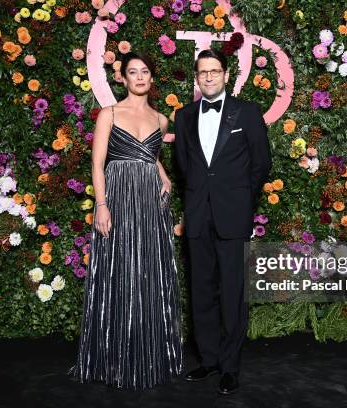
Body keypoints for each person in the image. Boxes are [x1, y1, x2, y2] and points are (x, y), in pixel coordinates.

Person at [67, 52, 183, 390]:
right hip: (117, 198)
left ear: (151, 77)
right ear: (123, 78)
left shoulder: (162, 120)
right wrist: (101, 204)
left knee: (149, 272)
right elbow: (98, 163)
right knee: (120, 272)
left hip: (150, 202)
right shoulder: (109, 114)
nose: (140, 77)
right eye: (133, 72)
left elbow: (150, 156)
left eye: (145, 71)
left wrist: (164, 176)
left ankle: (149, 355)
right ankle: (114, 358)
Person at [174, 48, 272, 395]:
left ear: (226, 75)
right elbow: (184, 167)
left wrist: (241, 201)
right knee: (201, 293)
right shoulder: (183, 116)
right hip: (199, 217)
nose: (210, 77)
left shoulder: (247, 112)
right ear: (197, 78)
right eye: (203, 72)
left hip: (233, 217)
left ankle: (230, 367)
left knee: (232, 294)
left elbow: (261, 165)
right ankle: (209, 360)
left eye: (215, 71)